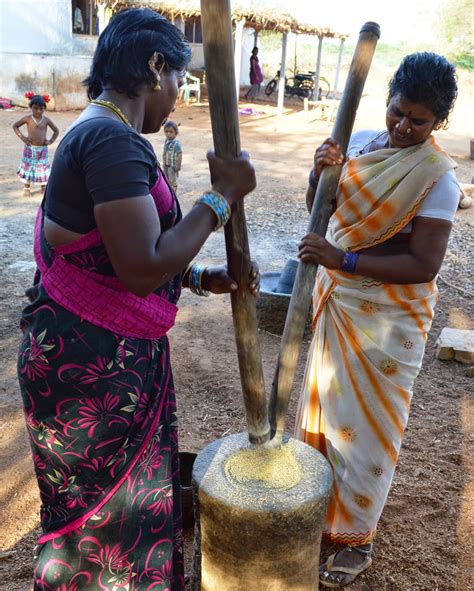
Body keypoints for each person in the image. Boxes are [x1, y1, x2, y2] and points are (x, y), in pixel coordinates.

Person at [17, 8, 259, 590]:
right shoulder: (108, 140)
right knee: (105, 522)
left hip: (99, 356)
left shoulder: (107, 137)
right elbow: (143, 268)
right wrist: (221, 198)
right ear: (155, 67)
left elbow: (126, 255)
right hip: (93, 368)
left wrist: (203, 279)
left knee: (110, 519)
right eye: (178, 79)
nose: (178, 97)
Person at [295, 52, 459, 588]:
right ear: (387, 101)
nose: (402, 127)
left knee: (366, 432)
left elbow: (423, 264)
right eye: (397, 112)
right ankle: (314, 511)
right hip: (339, 303)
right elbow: (317, 209)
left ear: (439, 122)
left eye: (419, 121)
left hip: (389, 321)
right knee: (323, 409)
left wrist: (342, 261)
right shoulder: (362, 141)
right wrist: (319, 172)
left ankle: (355, 537)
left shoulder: (437, 179)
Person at [13, 93, 59, 196]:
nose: (38, 111)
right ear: (31, 107)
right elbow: (15, 126)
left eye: (41, 108)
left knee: (42, 167)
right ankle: (27, 188)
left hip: (42, 149)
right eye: (36, 108)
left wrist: (50, 141)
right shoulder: (27, 119)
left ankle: (43, 187)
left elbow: (56, 131)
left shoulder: (46, 120)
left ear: (44, 108)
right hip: (30, 149)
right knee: (29, 166)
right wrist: (23, 138)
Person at [162, 120, 182, 193]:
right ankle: (169, 192)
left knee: (173, 181)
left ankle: (173, 194)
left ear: (176, 133)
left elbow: (179, 154)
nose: (168, 134)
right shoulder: (166, 141)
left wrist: (178, 165)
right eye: (166, 131)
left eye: (171, 132)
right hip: (166, 165)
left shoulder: (176, 144)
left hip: (172, 166)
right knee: (166, 179)